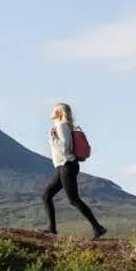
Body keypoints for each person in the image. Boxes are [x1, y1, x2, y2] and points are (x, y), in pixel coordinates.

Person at [42, 102, 107, 239]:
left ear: (59, 112)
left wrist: (52, 138)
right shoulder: (62, 126)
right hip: (63, 166)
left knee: (73, 199)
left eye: (54, 109)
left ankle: (98, 228)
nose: (51, 111)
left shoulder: (61, 126)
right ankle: (52, 229)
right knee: (47, 196)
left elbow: (65, 147)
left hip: (67, 165)